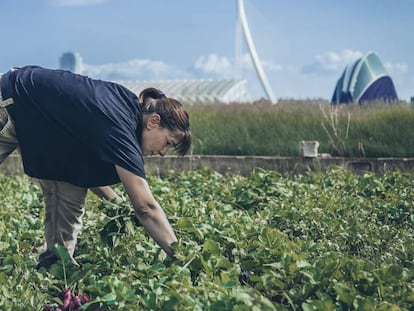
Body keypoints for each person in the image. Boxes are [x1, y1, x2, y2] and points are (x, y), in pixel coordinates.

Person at [0, 65, 191, 268]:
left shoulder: (126, 114)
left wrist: (115, 203)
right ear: (154, 121)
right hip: (11, 99)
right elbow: (145, 208)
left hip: (44, 129)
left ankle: (55, 267)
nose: (163, 152)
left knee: (71, 189)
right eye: (168, 143)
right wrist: (183, 259)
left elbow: (85, 172)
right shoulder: (119, 125)